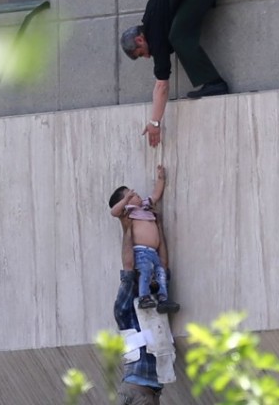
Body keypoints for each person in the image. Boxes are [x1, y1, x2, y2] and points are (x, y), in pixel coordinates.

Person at [120, 0, 241, 148]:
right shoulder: (151, 13)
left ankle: (215, 83)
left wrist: (155, 122)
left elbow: (161, 86)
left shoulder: (155, 36)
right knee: (177, 32)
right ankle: (213, 83)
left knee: (178, 36)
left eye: (141, 54)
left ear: (140, 40)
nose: (147, 57)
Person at [113, 203, 173, 404]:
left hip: (142, 391)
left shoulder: (156, 306)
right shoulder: (128, 310)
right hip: (140, 392)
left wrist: (160, 227)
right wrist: (127, 227)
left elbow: (163, 264)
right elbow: (128, 268)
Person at [109, 165, 179, 314]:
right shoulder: (130, 212)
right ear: (126, 203)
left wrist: (161, 178)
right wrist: (126, 200)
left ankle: (163, 299)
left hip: (153, 252)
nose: (136, 194)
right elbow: (114, 212)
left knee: (161, 273)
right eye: (130, 195)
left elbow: (156, 194)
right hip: (141, 252)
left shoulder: (146, 206)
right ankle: (143, 297)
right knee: (145, 272)